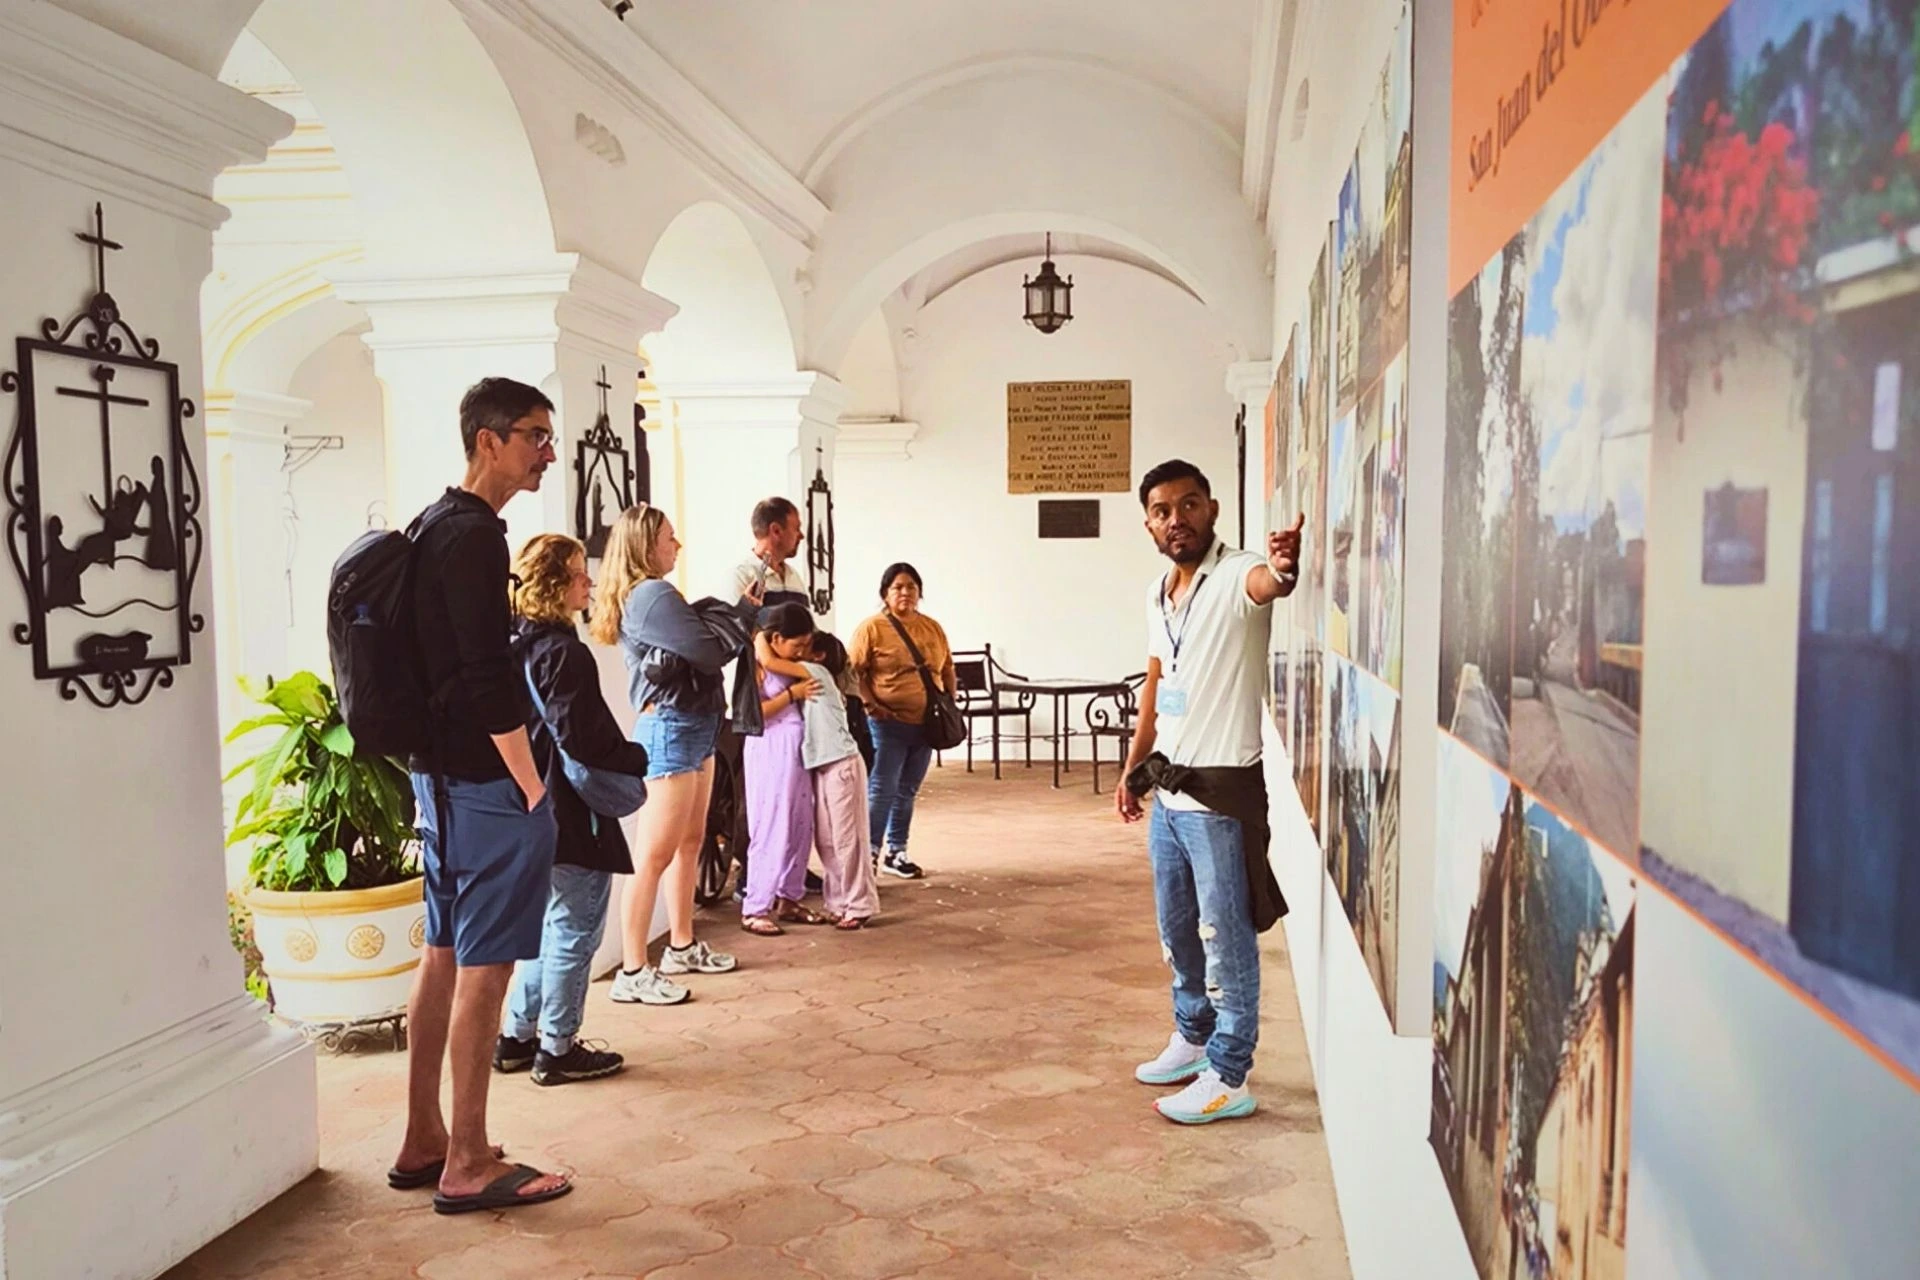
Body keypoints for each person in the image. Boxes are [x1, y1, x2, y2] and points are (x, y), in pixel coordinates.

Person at [389, 376, 571, 1213]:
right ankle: (466, 1160)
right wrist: (531, 783)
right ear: (487, 441)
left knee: (443, 953)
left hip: (439, 779)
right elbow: (483, 674)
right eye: (534, 435)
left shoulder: (434, 523)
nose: (547, 452)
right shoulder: (473, 537)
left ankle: (425, 1138)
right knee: (485, 968)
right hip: (482, 781)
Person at [1116, 458, 1302, 1127]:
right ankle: (1193, 1035)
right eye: (1162, 511)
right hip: (1169, 792)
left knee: (1227, 938)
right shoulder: (1157, 594)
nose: (1177, 520)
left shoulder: (1236, 574)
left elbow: (1268, 584)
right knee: (1178, 931)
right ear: (1148, 525)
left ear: (1212, 509)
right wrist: (1134, 768)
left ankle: (1229, 1073)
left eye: (1189, 505)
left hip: (1221, 798)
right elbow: (1157, 687)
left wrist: (1285, 568)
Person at [496, 533, 647, 1086]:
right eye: (580, 573)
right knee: (576, 929)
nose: (590, 582)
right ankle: (557, 1048)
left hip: (525, 801)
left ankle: (517, 1036)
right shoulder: (564, 653)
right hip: (570, 806)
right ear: (555, 584)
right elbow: (582, 738)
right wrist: (634, 756)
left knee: (547, 927)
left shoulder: (512, 645)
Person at [593, 503, 750, 1005]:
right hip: (672, 727)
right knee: (654, 855)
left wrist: (723, 622)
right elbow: (709, 650)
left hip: (694, 724)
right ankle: (633, 970)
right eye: (669, 537)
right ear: (645, 545)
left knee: (691, 842)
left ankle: (681, 944)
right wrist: (737, 618)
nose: (677, 545)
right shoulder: (651, 595)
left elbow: (701, 645)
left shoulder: (654, 594)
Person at [849, 562, 955, 880]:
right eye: (897, 587)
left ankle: (897, 851)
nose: (905, 592)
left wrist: (949, 701)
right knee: (882, 787)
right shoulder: (872, 628)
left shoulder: (932, 628)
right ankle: (869, 853)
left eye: (911, 587)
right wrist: (870, 704)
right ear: (885, 593)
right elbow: (854, 672)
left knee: (907, 789)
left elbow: (947, 668)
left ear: (920, 592)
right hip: (887, 723)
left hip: (926, 724)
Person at [739, 602, 831, 934]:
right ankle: (756, 906)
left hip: (796, 753)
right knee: (771, 825)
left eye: (807, 645)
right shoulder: (758, 663)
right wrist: (792, 695)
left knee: (799, 825)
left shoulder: (785, 663)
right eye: (797, 645)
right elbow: (754, 713)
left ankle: (790, 896)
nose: (802, 652)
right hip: (770, 749)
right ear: (776, 638)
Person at [800, 633, 881, 928]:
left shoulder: (817, 674)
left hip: (842, 764)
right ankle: (838, 902)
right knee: (826, 841)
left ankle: (859, 905)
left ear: (819, 656)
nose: (797, 651)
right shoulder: (813, 677)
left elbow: (772, 662)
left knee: (849, 839)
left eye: (803, 647)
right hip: (822, 765)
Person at [730, 496, 811, 613]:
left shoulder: (794, 577)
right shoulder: (740, 577)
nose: (802, 536)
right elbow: (731, 624)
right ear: (776, 530)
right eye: (797, 529)